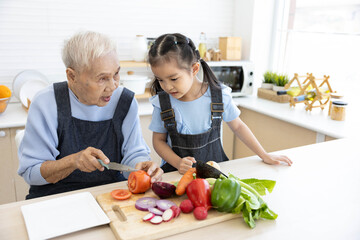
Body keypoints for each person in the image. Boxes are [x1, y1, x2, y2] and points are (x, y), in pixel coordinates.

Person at [18, 31, 163, 199]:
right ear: (72, 76)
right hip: (54, 197)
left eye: (116, 74)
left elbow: (133, 153)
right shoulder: (46, 103)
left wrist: (140, 166)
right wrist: (73, 161)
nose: (113, 86)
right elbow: (31, 172)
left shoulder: (125, 101)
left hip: (109, 195)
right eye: (102, 78)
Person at [148, 33, 293, 174]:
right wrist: (178, 162)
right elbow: (158, 141)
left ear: (194, 69)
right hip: (176, 177)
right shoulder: (162, 103)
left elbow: (238, 126)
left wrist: (264, 155)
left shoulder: (219, 96)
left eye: (173, 79)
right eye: (160, 80)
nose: (167, 87)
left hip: (214, 178)